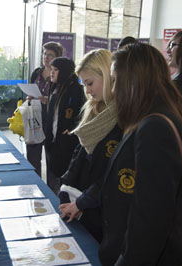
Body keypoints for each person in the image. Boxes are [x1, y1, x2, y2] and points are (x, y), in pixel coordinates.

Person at [99, 43, 182, 265]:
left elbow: (151, 218)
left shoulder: (155, 127)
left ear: (133, 82)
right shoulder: (152, 117)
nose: (113, 91)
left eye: (115, 81)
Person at [57, 49, 123, 242]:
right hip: (84, 198)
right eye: (84, 84)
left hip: (103, 207)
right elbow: (80, 152)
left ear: (108, 77)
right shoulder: (92, 108)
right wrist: (65, 184)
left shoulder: (123, 116)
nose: (87, 91)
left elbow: (110, 174)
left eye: (90, 83)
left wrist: (82, 202)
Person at [44, 57, 85, 194]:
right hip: (52, 140)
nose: (52, 73)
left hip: (67, 142)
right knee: (52, 174)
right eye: (51, 69)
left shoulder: (77, 90)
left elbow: (83, 114)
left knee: (63, 176)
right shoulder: (54, 88)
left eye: (55, 70)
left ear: (65, 72)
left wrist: (73, 127)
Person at [26, 42, 64, 176]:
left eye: (50, 55)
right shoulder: (36, 73)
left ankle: (52, 194)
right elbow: (30, 89)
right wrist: (29, 97)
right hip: (34, 120)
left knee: (51, 162)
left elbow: (61, 99)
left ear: (57, 58)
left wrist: (48, 100)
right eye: (44, 54)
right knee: (32, 159)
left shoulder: (59, 76)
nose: (46, 58)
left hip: (49, 122)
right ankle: (34, 189)